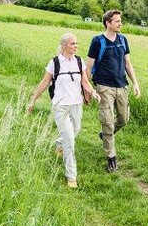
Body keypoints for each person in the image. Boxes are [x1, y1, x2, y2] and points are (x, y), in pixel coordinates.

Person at [27, 32, 98, 188]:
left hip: (76, 104)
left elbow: (85, 82)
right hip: (60, 106)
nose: (76, 46)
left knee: (75, 131)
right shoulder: (55, 63)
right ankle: (71, 176)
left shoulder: (79, 61)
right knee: (70, 141)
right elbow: (44, 83)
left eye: (76, 43)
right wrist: (33, 99)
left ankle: (58, 144)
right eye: (73, 43)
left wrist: (92, 92)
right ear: (65, 45)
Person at [87, 9, 140, 173]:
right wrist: (87, 90)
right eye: (117, 21)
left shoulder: (123, 40)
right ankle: (111, 158)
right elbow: (89, 67)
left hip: (121, 86)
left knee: (123, 119)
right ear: (108, 23)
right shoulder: (97, 41)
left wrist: (136, 83)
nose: (120, 23)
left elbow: (127, 64)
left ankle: (105, 135)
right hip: (104, 87)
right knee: (108, 122)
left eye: (120, 20)